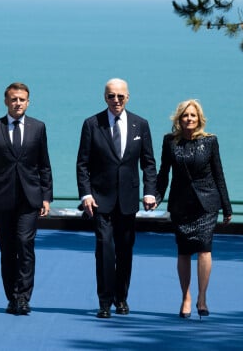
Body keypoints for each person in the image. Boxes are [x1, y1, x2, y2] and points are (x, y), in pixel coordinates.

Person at [76, 78, 157, 319]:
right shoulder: (92, 124)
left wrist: (150, 191)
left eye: (121, 96)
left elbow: (149, 163)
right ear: (105, 97)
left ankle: (121, 298)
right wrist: (86, 194)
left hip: (129, 200)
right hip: (101, 200)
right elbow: (82, 164)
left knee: (124, 251)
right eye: (111, 96)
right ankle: (104, 301)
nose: (116, 100)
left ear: (128, 97)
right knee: (104, 249)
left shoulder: (140, 125)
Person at [0, 82, 53, 315]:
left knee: (25, 245)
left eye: (22, 99)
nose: (18, 103)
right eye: (14, 99)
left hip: (30, 198)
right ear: (6, 101)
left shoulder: (38, 128)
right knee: (7, 250)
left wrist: (46, 197)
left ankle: (24, 298)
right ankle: (12, 297)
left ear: (28, 102)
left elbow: (44, 165)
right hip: (3, 198)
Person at [155, 99, 232, 319]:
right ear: (179, 119)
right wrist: (157, 197)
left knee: (205, 249)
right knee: (184, 251)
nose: (189, 119)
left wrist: (226, 207)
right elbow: (163, 173)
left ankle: (202, 297)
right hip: (180, 204)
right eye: (185, 115)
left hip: (207, 204)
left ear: (199, 119)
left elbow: (219, 175)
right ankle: (186, 297)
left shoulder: (210, 142)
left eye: (193, 115)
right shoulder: (170, 142)